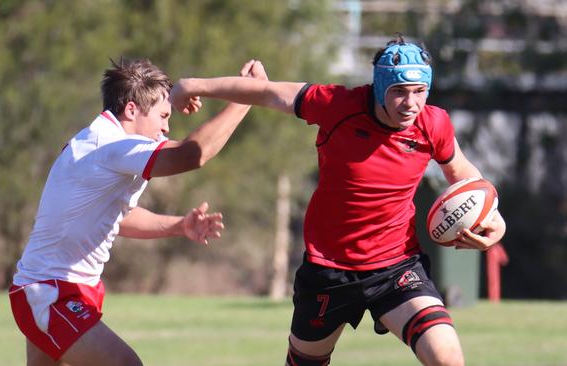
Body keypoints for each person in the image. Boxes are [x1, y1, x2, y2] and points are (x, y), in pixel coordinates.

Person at [169, 34, 506, 366]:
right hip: (329, 270)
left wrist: (495, 221)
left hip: (397, 265)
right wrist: (190, 85)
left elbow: (463, 175)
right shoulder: (336, 105)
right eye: (400, 92)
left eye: (420, 92)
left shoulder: (433, 124)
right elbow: (267, 93)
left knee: (447, 358)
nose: (411, 103)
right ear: (379, 87)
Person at [8, 58, 265, 366]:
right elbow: (192, 154)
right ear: (131, 110)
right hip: (50, 294)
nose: (166, 127)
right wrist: (249, 95)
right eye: (163, 115)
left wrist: (180, 225)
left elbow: (119, 217)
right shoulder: (109, 147)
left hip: (58, 290)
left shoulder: (104, 145)